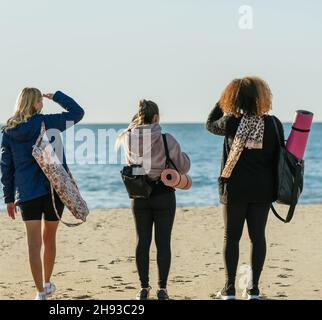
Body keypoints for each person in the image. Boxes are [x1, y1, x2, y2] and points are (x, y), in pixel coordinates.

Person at [0, 88, 84, 300]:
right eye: (40, 101)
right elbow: (77, 112)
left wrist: (8, 198)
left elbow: (6, 168)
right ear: (36, 103)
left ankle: (40, 292)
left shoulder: (9, 131)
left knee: (33, 243)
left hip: (27, 193)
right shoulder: (46, 123)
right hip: (53, 190)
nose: (42, 104)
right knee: (50, 238)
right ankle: (47, 283)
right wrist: (56, 96)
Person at [206, 76, 284, 300]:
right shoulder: (273, 124)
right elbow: (280, 155)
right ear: (262, 97)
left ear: (234, 97)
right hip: (263, 190)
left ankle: (229, 289)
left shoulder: (231, 122)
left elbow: (210, 123)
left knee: (231, 237)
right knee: (257, 237)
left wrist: (223, 100)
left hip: (234, 189)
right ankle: (254, 290)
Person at [118, 100, 191, 300]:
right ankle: (162, 289)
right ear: (156, 118)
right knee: (163, 242)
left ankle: (143, 288)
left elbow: (131, 164)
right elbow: (183, 167)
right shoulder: (166, 139)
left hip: (139, 194)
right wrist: (183, 156)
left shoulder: (128, 138)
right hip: (163, 194)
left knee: (142, 241)